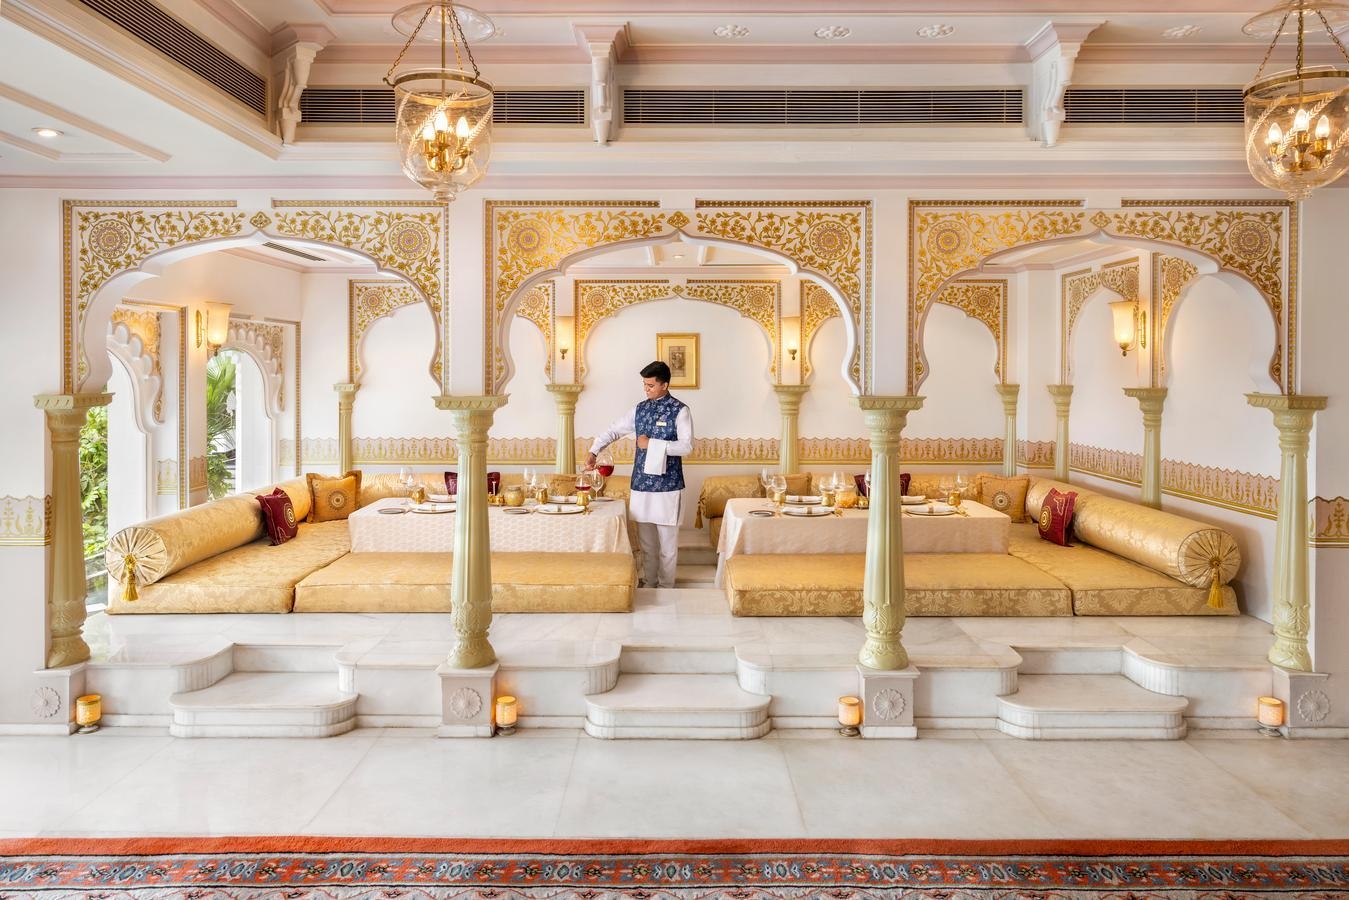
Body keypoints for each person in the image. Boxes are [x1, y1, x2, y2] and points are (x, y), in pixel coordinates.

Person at [587, 360, 693, 589]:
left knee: (667, 544)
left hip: (668, 487)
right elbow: (614, 430)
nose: (646, 389)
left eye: (651, 385)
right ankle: (649, 581)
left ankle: (666, 587)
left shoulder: (680, 410)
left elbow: (686, 447)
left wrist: (652, 444)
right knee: (646, 543)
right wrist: (594, 450)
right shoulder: (639, 409)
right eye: (644, 385)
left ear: (665, 385)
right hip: (642, 485)